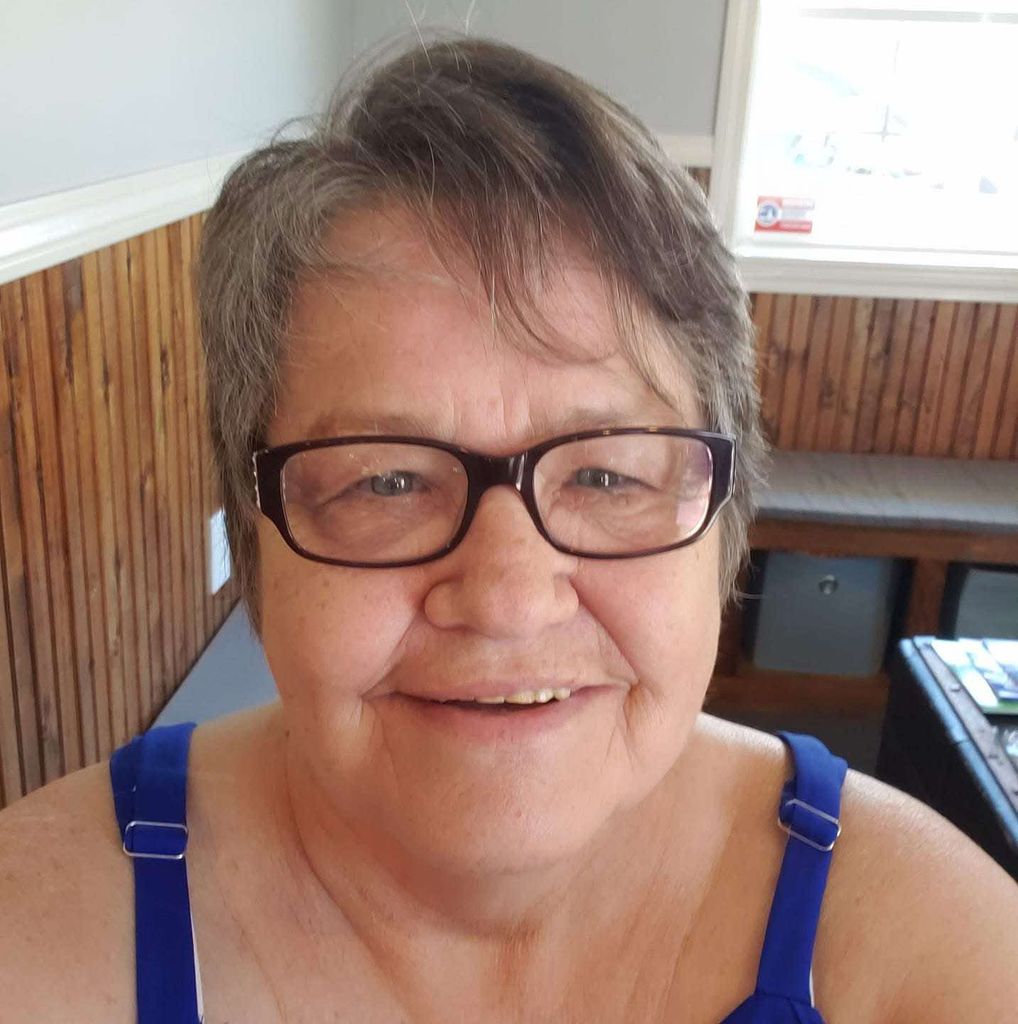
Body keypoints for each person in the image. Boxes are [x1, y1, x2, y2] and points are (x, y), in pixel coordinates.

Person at [1, 37, 1016, 1024]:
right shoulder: (35, 944)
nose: (506, 599)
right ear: (253, 530)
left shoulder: (929, 947)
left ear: (726, 520)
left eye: (607, 474)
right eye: (387, 479)